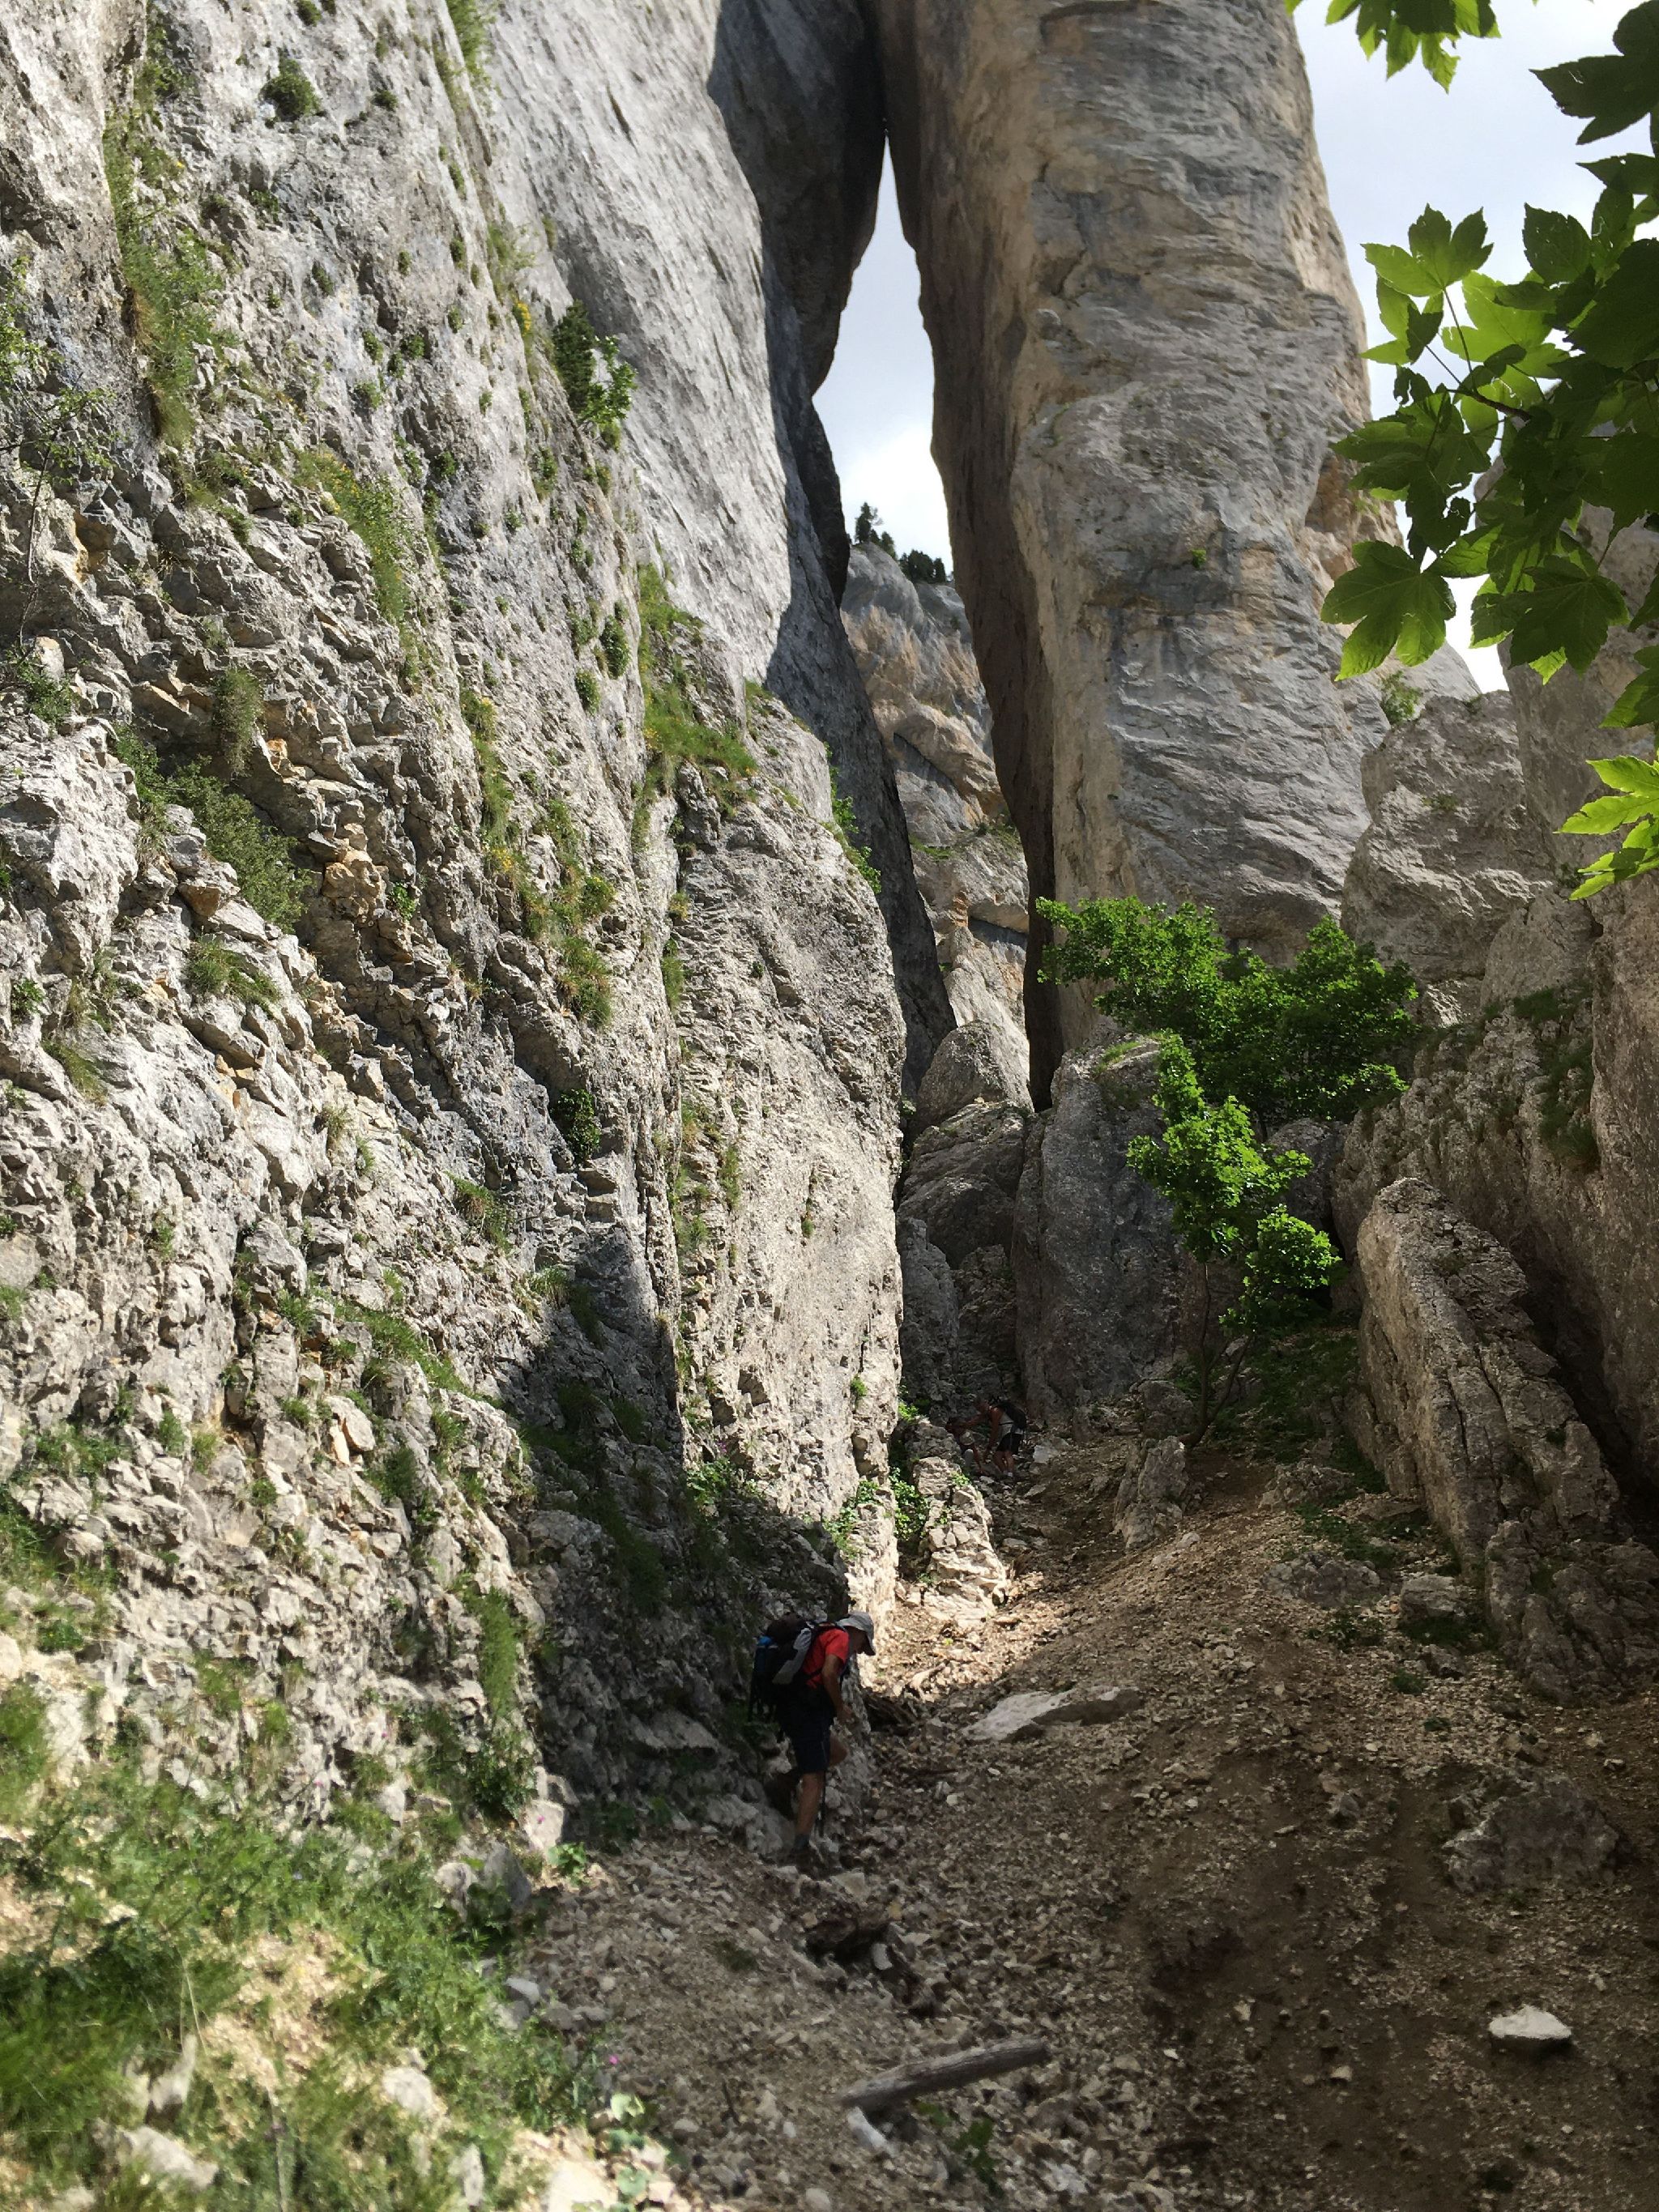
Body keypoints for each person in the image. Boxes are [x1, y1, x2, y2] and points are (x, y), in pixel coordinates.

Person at [766, 1611, 875, 1870]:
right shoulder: (840, 1638)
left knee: (837, 1752)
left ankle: (785, 1782)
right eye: (862, 1644)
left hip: (795, 1708)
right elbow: (828, 1673)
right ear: (857, 1632)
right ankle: (799, 1848)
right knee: (814, 1778)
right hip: (806, 1712)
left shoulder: (825, 1633)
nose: (859, 1651)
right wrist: (839, 1707)